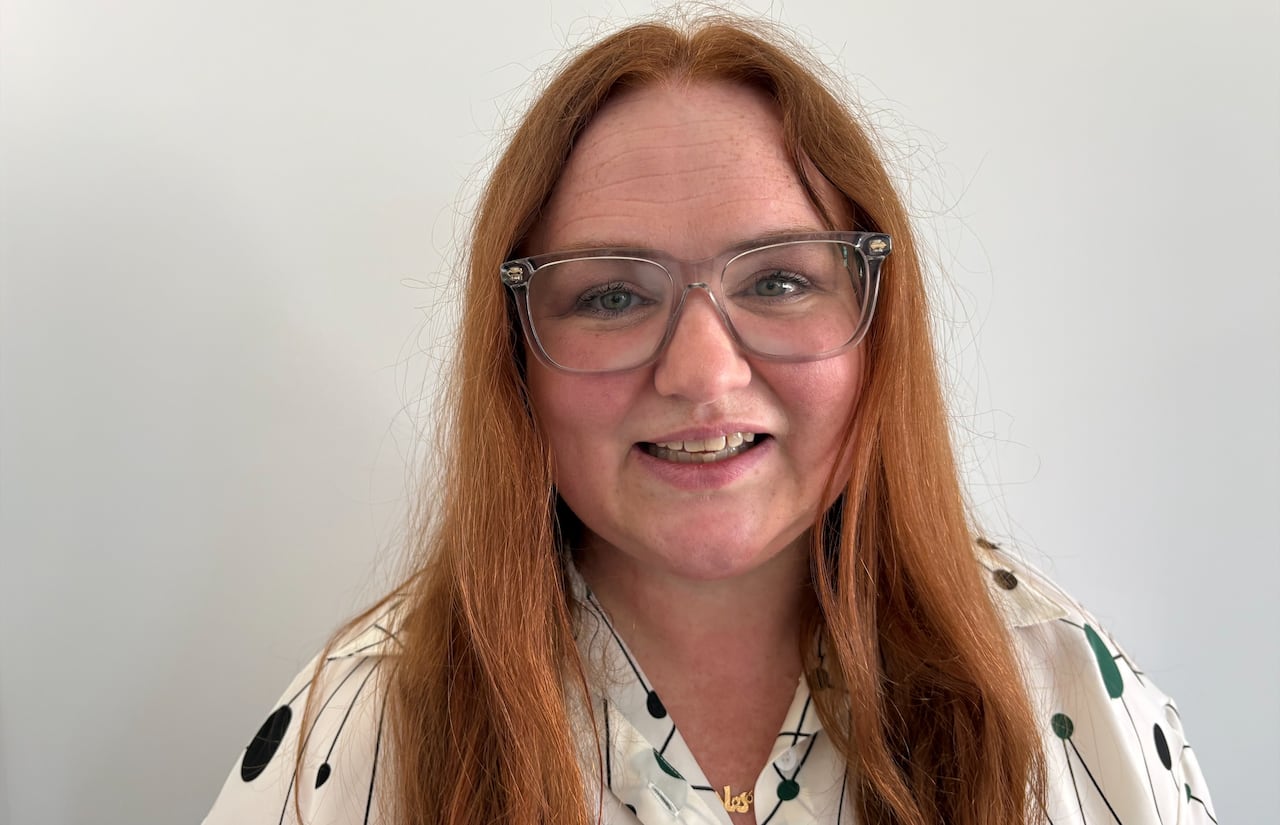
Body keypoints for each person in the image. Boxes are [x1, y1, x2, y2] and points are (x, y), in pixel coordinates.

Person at [204, 14, 1215, 825]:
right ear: (515, 354)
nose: (701, 373)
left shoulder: (1064, 698)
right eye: (608, 295)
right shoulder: (361, 732)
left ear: (875, 327)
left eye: (777, 279)